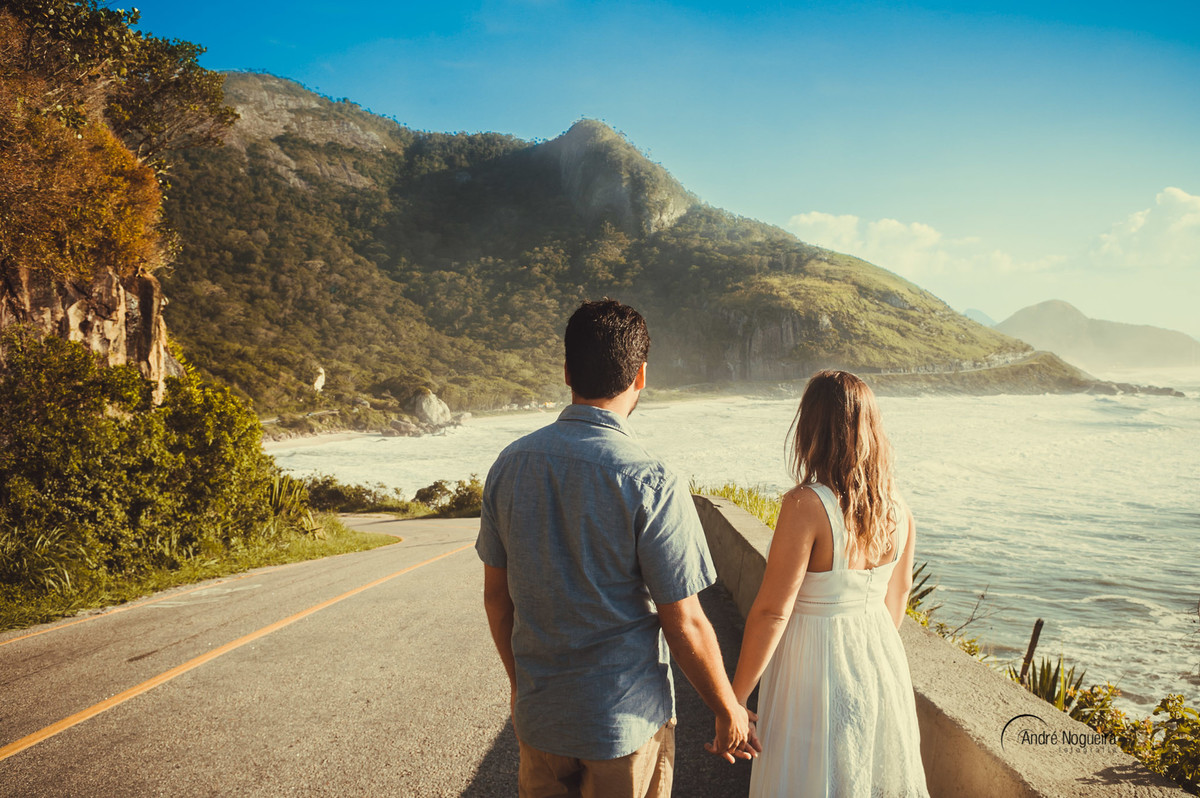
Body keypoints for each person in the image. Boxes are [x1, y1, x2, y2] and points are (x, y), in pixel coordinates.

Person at [477, 299, 756, 798]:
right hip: (621, 726)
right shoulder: (652, 479)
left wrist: (522, 690)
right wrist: (726, 709)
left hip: (540, 722)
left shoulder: (508, 465)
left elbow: (498, 599)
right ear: (641, 376)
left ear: (566, 371)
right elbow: (684, 619)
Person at [728, 370, 930, 797]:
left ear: (811, 429)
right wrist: (863, 657)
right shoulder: (900, 510)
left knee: (811, 779)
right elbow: (899, 597)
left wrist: (736, 698)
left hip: (814, 668)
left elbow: (772, 611)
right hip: (878, 663)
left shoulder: (805, 504)